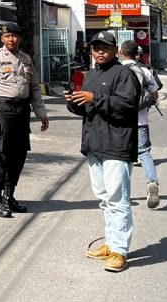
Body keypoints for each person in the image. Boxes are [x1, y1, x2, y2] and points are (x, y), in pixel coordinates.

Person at [65, 30, 140, 273]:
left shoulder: (124, 74)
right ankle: (110, 243)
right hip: (94, 144)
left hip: (116, 146)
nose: (100, 52)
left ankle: (120, 251)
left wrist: (94, 97)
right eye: (96, 47)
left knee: (118, 200)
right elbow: (86, 108)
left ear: (115, 50)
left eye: (105, 48)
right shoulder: (90, 75)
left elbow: (126, 107)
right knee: (105, 199)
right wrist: (73, 101)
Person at [0, 21, 49, 218]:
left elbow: (34, 87)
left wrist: (41, 113)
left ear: (20, 38)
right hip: (4, 110)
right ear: (2, 38)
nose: (12, 39)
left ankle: (9, 196)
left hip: (22, 111)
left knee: (18, 155)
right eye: (8, 36)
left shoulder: (26, 59)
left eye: (15, 36)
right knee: (1, 154)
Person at [119, 39, 161, 210]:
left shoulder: (117, 71)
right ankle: (152, 181)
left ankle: (124, 195)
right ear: (137, 54)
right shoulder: (145, 71)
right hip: (141, 121)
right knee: (144, 153)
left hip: (121, 122)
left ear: (121, 52)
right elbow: (155, 95)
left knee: (123, 157)